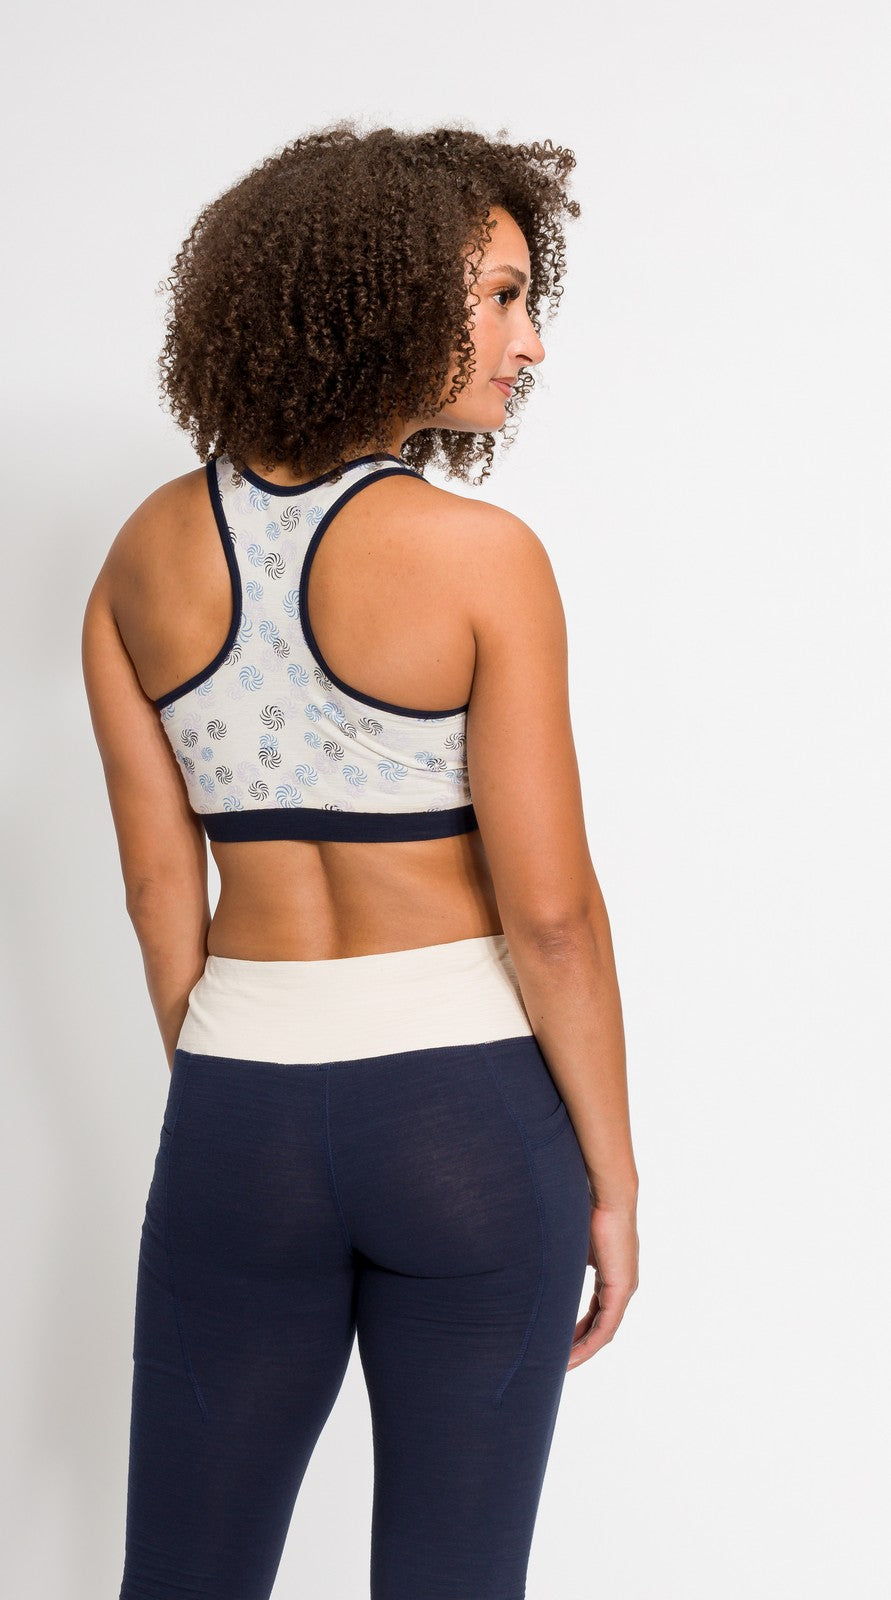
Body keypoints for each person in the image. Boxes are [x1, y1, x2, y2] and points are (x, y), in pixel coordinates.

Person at [82, 122, 640, 1600]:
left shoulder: (142, 555)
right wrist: (614, 1175)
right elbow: (553, 916)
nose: (529, 340)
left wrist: (243, 1080)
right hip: (468, 1116)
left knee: (183, 1580)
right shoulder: (480, 556)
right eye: (502, 296)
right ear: (387, 293)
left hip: (237, 1108)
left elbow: (159, 893)